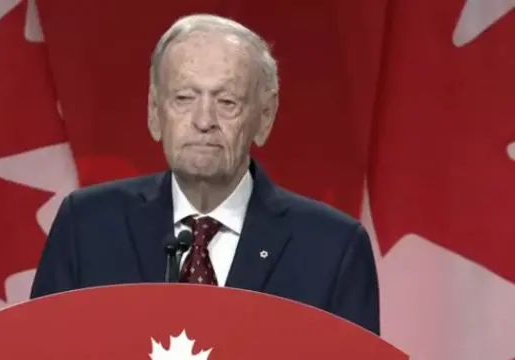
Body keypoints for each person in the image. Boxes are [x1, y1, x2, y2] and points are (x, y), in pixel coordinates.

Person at [29, 13, 380, 335]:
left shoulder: (333, 248)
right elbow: (40, 349)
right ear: (155, 112)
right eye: (184, 98)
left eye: (226, 102)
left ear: (265, 117)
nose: (203, 121)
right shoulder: (87, 225)